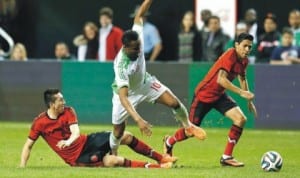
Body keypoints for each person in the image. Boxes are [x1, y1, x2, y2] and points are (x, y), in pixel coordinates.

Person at [110, 0, 206, 156]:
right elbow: (124, 98)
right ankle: (113, 154)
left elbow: (139, 14)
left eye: (139, 46)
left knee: (174, 102)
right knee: (118, 130)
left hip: (145, 83)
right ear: (125, 47)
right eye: (135, 49)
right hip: (126, 95)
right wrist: (139, 120)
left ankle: (188, 126)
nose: (139, 50)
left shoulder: (137, 37)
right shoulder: (121, 66)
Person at [163, 33, 257, 167]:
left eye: (250, 47)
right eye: (245, 46)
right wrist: (241, 92)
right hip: (203, 96)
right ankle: (169, 142)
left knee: (240, 119)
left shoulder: (244, 61)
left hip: (219, 95)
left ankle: (226, 157)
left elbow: (242, 78)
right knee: (190, 131)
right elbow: (221, 79)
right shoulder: (230, 55)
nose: (247, 49)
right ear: (236, 45)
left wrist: (249, 101)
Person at [20, 88, 176, 168]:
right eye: (60, 100)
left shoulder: (68, 111)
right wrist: (22, 167)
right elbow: (28, 146)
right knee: (112, 161)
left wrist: (68, 142)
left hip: (87, 141)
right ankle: (158, 168)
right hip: (77, 158)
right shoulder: (39, 123)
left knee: (126, 136)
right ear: (51, 104)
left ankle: (162, 158)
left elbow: (76, 132)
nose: (64, 102)